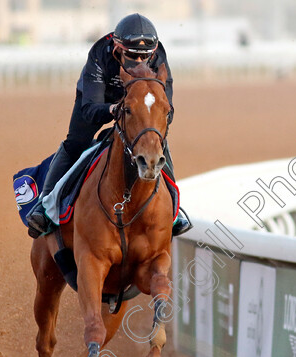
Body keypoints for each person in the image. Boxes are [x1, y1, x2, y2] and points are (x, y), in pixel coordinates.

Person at [26, 13, 192, 239]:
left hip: (139, 101)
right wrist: (113, 110)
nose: (140, 62)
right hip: (100, 98)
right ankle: (45, 205)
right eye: (132, 55)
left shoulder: (159, 55)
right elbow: (90, 109)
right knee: (76, 143)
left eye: (145, 56)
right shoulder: (99, 53)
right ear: (117, 47)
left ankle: (173, 211)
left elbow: (166, 108)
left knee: (156, 142)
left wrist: (150, 123)